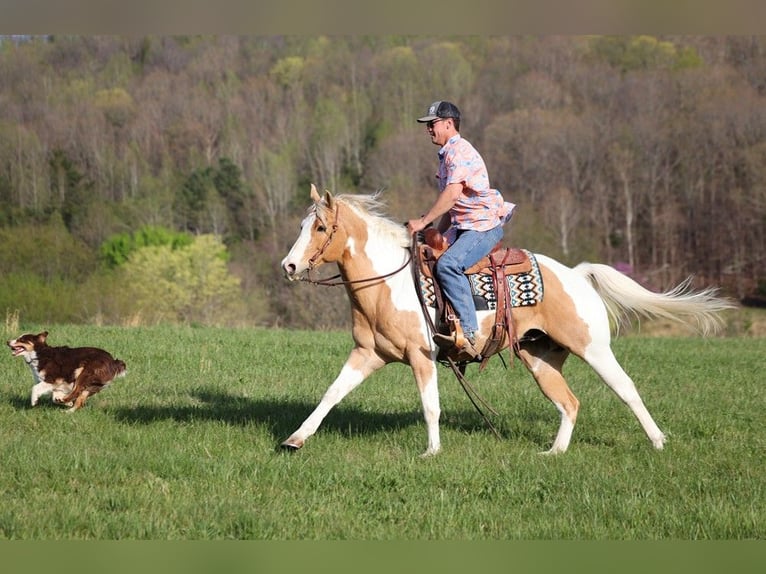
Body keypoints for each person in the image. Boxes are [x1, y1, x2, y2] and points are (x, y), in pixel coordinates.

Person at [407, 100, 515, 359]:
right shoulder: (446, 155)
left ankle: (470, 334)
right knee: (428, 256)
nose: (429, 129)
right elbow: (452, 207)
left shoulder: (459, 152)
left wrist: (423, 223)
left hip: (482, 228)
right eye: (428, 125)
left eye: (432, 124)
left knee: (447, 266)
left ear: (448, 124)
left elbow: (453, 194)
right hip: (464, 226)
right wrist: (438, 235)